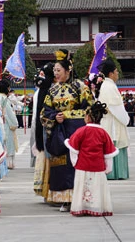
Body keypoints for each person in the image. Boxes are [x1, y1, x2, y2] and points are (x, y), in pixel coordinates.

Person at [41, 50, 93, 211]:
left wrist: (68, 115)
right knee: (62, 167)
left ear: (68, 70)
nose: (56, 73)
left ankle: (80, 198)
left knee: (77, 165)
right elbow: (44, 113)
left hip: (76, 133)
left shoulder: (80, 87)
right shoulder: (52, 90)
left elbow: (90, 109)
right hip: (59, 134)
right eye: (55, 70)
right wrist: (55, 117)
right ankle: (65, 199)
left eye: (59, 70)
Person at [64, 101, 118, 217]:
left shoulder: (81, 131)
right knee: (97, 188)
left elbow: (73, 149)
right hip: (98, 167)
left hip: (82, 166)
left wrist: (76, 163)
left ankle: (81, 207)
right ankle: (97, 207)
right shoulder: (103, 133)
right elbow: (108, 153)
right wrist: (107, 169)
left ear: (88, 117)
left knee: (82, 187)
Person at [96, 60, 130, 180]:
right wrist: (126, 119)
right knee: (115, 145)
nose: (117, 74)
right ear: (111, 74)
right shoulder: (109, 86)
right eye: (116, 71)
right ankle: (116, 173)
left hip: (109, 121)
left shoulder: (106, 85)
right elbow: (116, 107)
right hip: (113, 122)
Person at [30, 63, 54, 197]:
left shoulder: (41, 89)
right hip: (49, 127)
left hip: (40, 126)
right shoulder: (50, 88)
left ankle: (45, 189)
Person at [0, 79, 19, 170]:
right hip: (7, 124)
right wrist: (14, 123)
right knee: (9, 144)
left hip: (3, 122)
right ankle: (10, 163)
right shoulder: (4, 99)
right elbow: (9, 113)